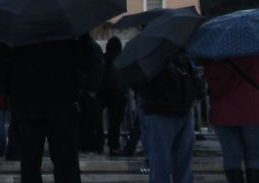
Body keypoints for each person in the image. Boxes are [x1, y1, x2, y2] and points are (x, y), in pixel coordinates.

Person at [0, 36, 101, 183]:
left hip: (26, 102)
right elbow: (91, 59)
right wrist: (85, 91)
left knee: (30, 163)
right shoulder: (67, 27)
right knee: (66, 162)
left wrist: (10, 93)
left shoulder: (13, 30)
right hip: (62, 100)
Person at [132, 53, 201, 183]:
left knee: (176, 161)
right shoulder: (155, 59)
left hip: (178, 111)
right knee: (163, 161)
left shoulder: (179, 57)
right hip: (163, 111)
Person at [203, 55, 259, 183]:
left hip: (222, 113)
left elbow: (211, 82)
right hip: (252, 110)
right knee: (254, 156)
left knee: (231, 156)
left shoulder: (213, 55)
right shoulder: (254, 51)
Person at [98, 37, 127, 156]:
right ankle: (114, 145)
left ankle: (99, 143)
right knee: (115, 123)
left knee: (99, 121)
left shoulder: (103, 58)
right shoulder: (123, 58)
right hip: (118, 93)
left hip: (102, 92)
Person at [78, 40, 105, 154]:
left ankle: (88, 144)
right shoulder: (94, 48)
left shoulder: (87, 48)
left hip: (87, 89)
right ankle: (92, 143)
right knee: (92, 119)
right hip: (89, 89)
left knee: (88, 119)